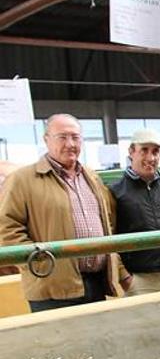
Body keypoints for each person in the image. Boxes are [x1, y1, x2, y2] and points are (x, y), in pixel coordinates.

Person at [0, 114, 127, 312]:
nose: (70, 144)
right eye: (62, 137)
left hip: (96, 283)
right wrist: (41, 264)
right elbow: (6, 230)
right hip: (52, 287)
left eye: (75, 137)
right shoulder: (22, 180)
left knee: (97, 341)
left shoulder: (91, 177)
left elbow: (107, 224)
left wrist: (115, 266)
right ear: (46, 140)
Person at [108, 128, 160, 295]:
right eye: (144, 150)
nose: (151, 158)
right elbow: (109, 236)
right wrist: (124, 276)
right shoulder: (115, 191)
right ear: (131, 152)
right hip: (139, 280)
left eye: (155, 151)